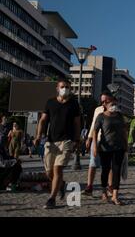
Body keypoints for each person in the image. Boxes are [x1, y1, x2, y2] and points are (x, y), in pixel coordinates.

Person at [34, 78, 81, 209]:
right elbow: (43, 120)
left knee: (58, 168)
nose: (65, 89)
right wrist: (38, 135)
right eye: (62, 86)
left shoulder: (74, 104)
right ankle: (60, 184)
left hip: (66, 140)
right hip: (51, 141)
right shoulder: (50, 102)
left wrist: (77, 139)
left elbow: (77, 123)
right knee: (49, 172)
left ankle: (51, 199)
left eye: (67, 87)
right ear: (57, 88)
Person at [92, 97, 127, 206]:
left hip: (119, 147)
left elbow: (124, 130)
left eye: (116, 104)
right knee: (105, 170)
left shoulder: (120, 116)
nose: (114, 106)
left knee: (116, 170)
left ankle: (115, 196)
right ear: (105, 105)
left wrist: (126, 144)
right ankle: (104, 191)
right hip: (105, 148)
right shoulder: (101, 116)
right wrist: (94, 146)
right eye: (112, 104)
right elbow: (95, 131)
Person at [83, 91, 114, 196]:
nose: (104, 103)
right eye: (102, 101)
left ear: (111, 100)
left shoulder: (115, 110)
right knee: (93, 163)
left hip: (110, 141)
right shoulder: (98, 110)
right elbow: (93, 124)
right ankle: (89, 186)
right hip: (97, 139)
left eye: (106, 101)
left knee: (109, 165)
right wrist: (89, 138)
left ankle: (110, 186)